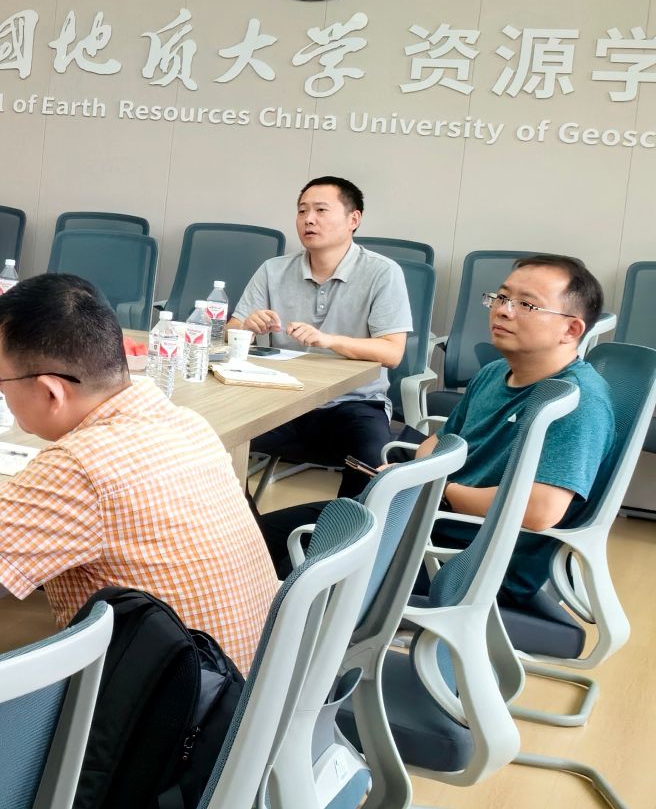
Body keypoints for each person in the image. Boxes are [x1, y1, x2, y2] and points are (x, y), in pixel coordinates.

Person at [0, 272, 277, 670]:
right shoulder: (179, 420)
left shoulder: (80, 465)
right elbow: (31, 507)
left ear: (51, 392)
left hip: (176, 711)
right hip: (249, 690)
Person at [257, 256, 612, 603]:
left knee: (300, 568)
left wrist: (438, 490)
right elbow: (439, 442)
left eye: (526, 305)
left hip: (469, 556)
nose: (503, 311)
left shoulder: (576, 400)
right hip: (422, 522)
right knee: (256, 541)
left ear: (571, 329)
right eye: (501, 297)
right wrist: (408, 474)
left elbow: (540, 510)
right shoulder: (493, 374)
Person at [230, 176, 411, 496]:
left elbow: (392, 353)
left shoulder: (383, 272)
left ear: (354, 219)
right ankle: (249, 525)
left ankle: (345, 528)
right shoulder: (273, 270)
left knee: (373, 468)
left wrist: (328, 340)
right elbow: (230, 332)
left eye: (320, 210)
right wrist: (247, 326)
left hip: (355, 404)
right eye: (302, 211)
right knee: (214, 446)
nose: (308, 219)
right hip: (280, 401)